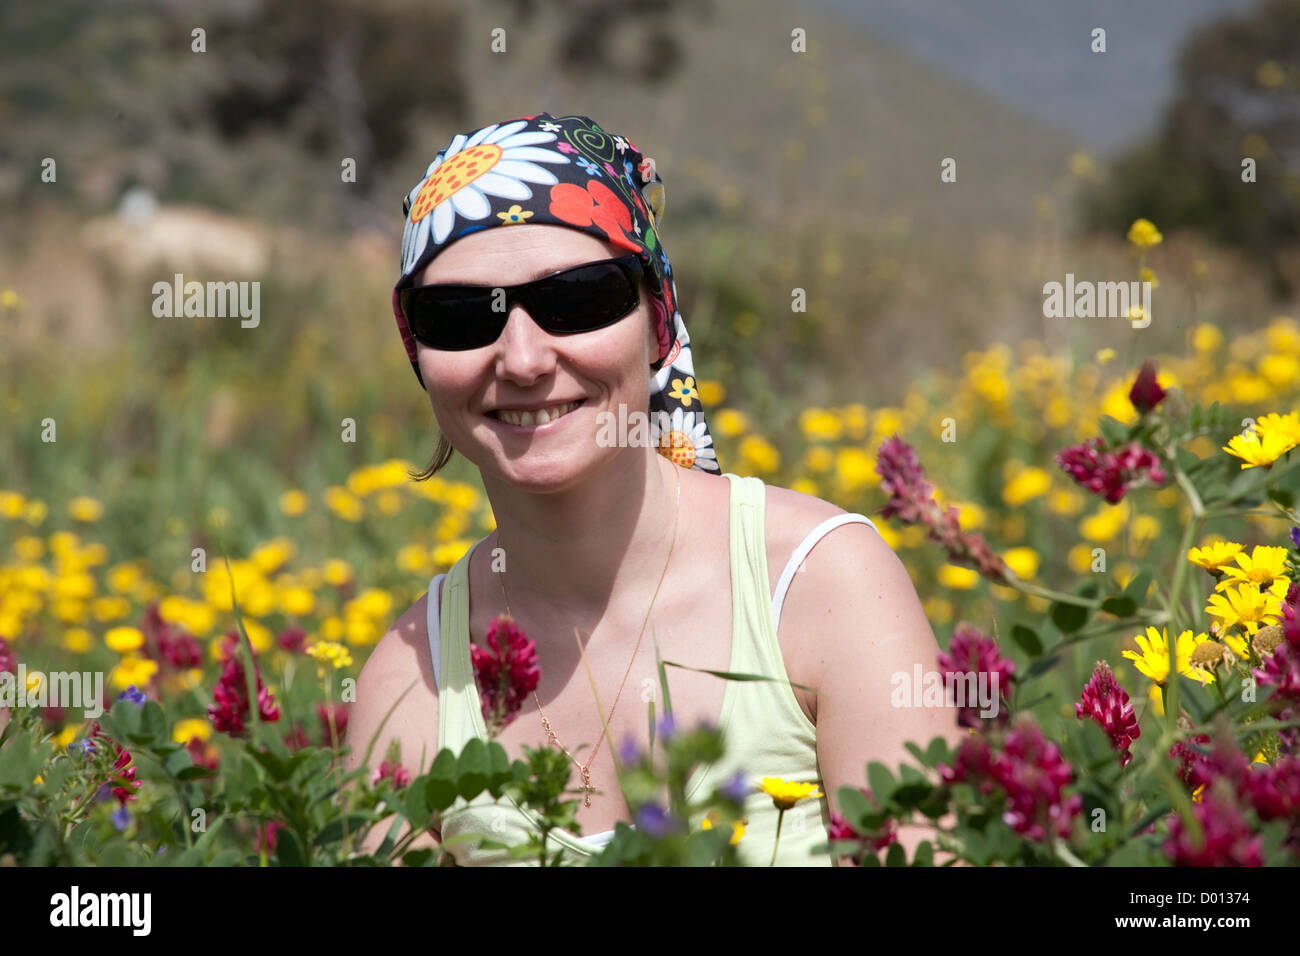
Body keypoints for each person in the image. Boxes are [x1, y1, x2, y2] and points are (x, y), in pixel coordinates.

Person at [345, 112, 952, 866]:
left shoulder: (823, 588)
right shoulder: (409, 685)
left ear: (657, 320)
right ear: (419, 352)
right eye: (463, 316)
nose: (525, 357)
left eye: (577, 299)